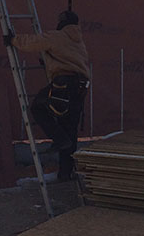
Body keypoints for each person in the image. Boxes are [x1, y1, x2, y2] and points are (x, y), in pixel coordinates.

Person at [5, 10, 90, 181]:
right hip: (80, 88)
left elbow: (33, 42)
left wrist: (13, 40)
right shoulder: (79, 41)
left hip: (64, 85)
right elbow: (68, 59)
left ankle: (59, 139)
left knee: (38, 108)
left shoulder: (57, 36)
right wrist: (50, 62)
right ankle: (65, 173)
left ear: (62, 23)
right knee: (69, 129)